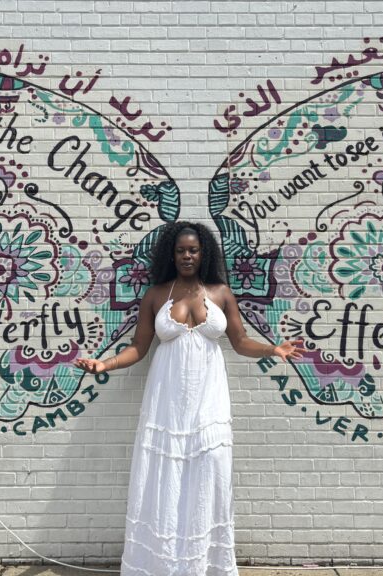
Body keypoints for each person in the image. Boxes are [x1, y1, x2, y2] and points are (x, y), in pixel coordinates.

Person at [75, 221, 304, 575]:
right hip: (167, 401)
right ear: (172, 254)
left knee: (209, 471)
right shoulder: (156, 295)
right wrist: (105, 364)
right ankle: (161, 564)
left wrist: (273, 349)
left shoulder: (221, 293)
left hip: (209, 400)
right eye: (181, 250)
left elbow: (240, 342)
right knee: (164, 477)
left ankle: (205, 566)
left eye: (193, 250)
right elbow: (138, 347)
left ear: (203, 253)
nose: (187, 256)